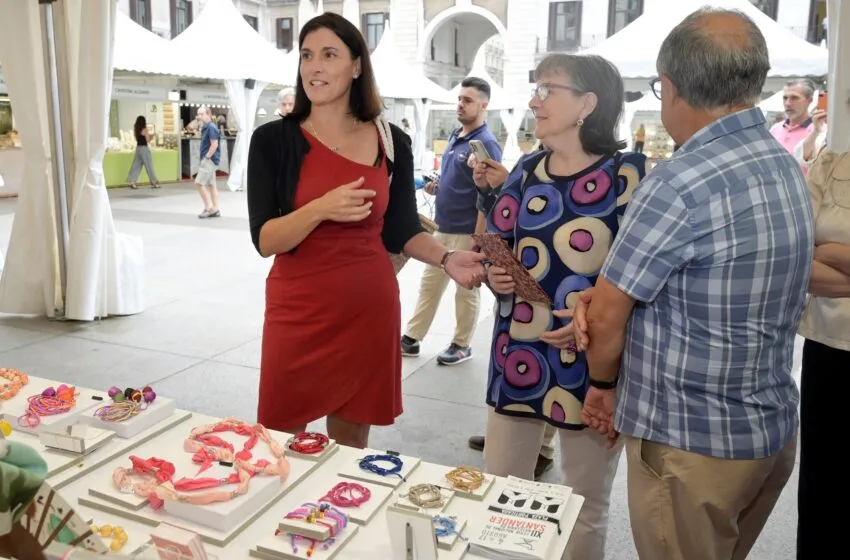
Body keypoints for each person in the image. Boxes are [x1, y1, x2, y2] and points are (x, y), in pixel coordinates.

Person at [573, 9, 812, 559]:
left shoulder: (680, 181)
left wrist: (604, 386)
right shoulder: (781, 163)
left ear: (671, 87)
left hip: (691, 445)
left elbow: (609, 315)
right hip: (766, 432)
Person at [247, 13, 486, 449]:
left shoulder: (391, 139)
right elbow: (265, 240)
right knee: (279, 436)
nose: (314, 67)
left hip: (367, 307)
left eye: (329, 55)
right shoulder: (272, 140)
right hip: (296, 307)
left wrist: (447, 258)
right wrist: (319, 209)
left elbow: (401, 229)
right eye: (306, 56)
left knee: (351, 443)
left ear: (356, 65)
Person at [480, 53, 647, 560]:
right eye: (536, 88)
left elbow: (643, 276)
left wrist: (594, 324)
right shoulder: (527, 171)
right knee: (501, 495)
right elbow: (496, 249)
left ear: (587, 104)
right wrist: (495, 274)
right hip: (519, 352)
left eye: (547, 89)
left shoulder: (628, 175)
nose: (534, 100)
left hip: (595, 365)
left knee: (583, 501)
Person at [467, 140, 556, 481]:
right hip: (518, 303)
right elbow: (500, 225)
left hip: (561, 306)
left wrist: (506, 185)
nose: (536, 102)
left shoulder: (610, 169)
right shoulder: (532, 159)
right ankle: (518, 444)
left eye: (549, 90)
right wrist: (490, 190)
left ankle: (543, 449)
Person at [400, 77, 502, 365]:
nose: (460, 104)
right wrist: (439, 186)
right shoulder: (458, 137)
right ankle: (412, 337)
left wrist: (478, 236)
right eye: (459, 98)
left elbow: (489, 192)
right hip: (442, 227)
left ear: (484, 105)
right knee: (429, 285)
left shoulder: (486, 145)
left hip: (466, 230)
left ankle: (462, 344)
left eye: (467, 100)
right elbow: (461, 182)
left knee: (465, 290)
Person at [796, 142, 850, 558]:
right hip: (829, 345)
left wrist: (833, 253)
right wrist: (826, 255)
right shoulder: (832, 161)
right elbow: (799, 253)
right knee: (824, 488)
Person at [769, 79, 815, 163]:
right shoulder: (774, 129)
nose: (788, 103)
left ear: (809, 100)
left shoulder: (819, 132)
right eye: (785, 98)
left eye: (794, 98)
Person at [195, 106, 221, 219]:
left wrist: (207, 157)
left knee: (199, 183)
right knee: (211, 185)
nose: (199, 117)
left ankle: (208, 208)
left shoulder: (211, 127)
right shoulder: (206, 127)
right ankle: (215, 209)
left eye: (201, 114)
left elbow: (214, 144)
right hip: (210, 159)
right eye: (198, 114)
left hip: (209, 160)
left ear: (208, 114)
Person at [126, 115, 161, 189]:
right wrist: (152, 136)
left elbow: (139, 139)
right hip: (144, 149)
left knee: (136, 165)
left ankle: (132, 181)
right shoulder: (145, 129)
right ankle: (154, 182)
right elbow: (148, 140)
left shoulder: (136, 130)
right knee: (149, 166)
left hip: (138, 148)